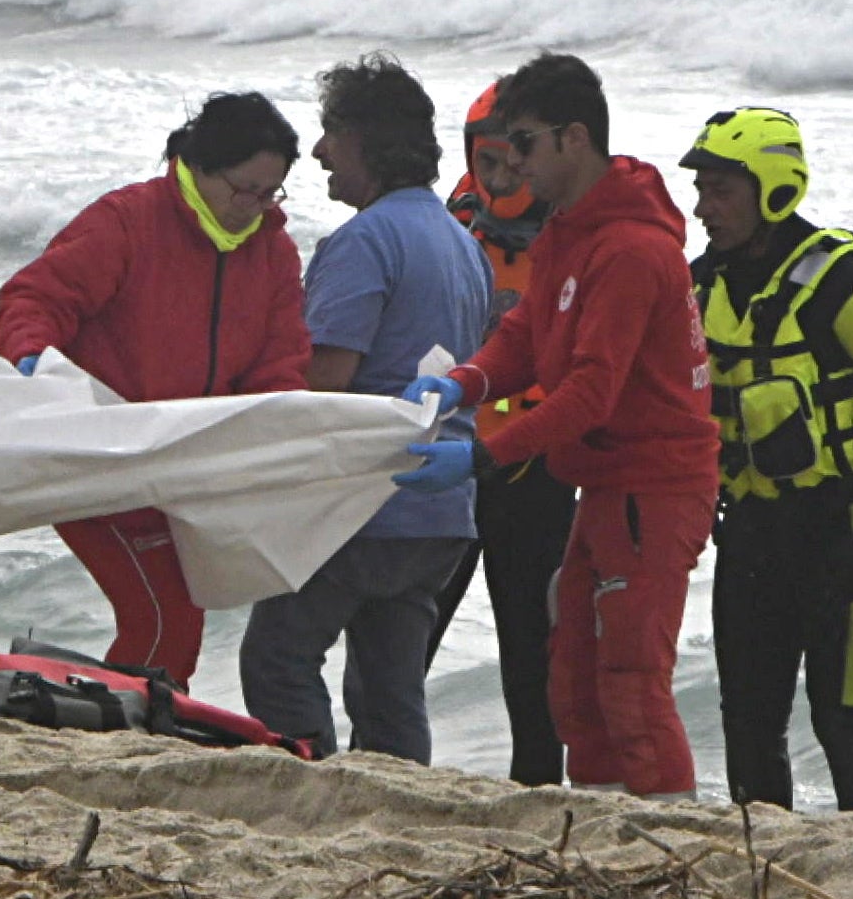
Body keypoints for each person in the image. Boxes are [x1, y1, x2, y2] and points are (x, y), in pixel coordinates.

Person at [396, 54, 715, 796]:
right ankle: (605, 824)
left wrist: (479, 457)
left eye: (526, 145)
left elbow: (590, 392)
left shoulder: (632, 249)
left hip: (652, 486)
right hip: (601, 484)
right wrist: (463, 381)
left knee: (633, 681)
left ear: (574, 139)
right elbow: (530, 331)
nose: (511, 165)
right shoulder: (570, 228)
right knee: (571, 680)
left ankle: (668, 832)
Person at [0, 92, 311, 684]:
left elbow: (279, 366)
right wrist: (32, 358)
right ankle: (131, 728)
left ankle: (127, 718)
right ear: (201, 168)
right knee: (166, 614)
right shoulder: (128, 222)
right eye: (246, 190)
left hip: (184, 467)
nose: (257, 208)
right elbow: (34, 299)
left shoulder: (272, 252)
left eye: (272, 194)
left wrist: (278, 438)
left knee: (175, 617)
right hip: (96, 458)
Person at [682, 107, 853, 812]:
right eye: (699, 190)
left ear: (773, 188)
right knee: (748, 722)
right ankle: (765, 875)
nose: (701, 208)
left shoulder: (844, 280)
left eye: (718, 191)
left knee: (843, 720)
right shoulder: (701, 285)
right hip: (756, 534)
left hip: (848, 531)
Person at [237, 56, 492, 762]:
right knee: (390, 689)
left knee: (277, 658)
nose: (317, 151)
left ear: (366, 140)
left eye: (329, 133)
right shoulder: (460, 243)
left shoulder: (363, 241)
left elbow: (326, 385)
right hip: (440, 510)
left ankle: (307, 785)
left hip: (362, 507)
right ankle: (397, 806)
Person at [421, 82, 579, 785]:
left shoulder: (581, 233)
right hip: (452, 464)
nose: (502, 180)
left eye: (517, 161)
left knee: (535, 655)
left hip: (538, 471)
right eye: (488, 162)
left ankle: (538, 794)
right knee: (407, 641)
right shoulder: (446, 225)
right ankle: (384, 774)